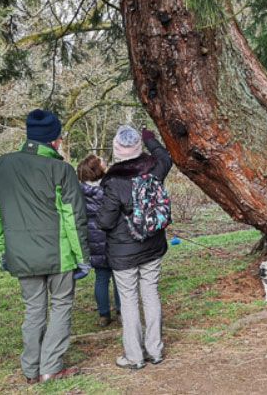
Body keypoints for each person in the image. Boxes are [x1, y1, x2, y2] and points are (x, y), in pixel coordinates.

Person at [0, 109, 90, 384]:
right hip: (59, 256)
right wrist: (83, 258)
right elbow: (73, 217)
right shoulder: (61, 170)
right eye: (60, 138)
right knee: (61, 305)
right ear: (54, 140)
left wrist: (6, 248)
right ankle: (50, 368)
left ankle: (31, 370)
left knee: (33, 309)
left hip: (21, 254)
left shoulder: (2, 165)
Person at [98, 125, 172, 370]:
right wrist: (150, 138)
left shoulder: (113, 181)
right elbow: (165, 157)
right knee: (151, 294)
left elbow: (105, 221)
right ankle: (155, 350)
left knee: (129, 300)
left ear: (117, 150)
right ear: (138, 147)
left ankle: (134, 357)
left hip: (123, 252)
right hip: (153, 244)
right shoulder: (154, 169)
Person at [77, 154, 121, 327]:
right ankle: (121, 311)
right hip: (112, 237)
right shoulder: (107, 188)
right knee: (119, 277)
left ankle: (104, 315)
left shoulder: (79, 191)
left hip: (93, 239)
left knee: (101, 278)